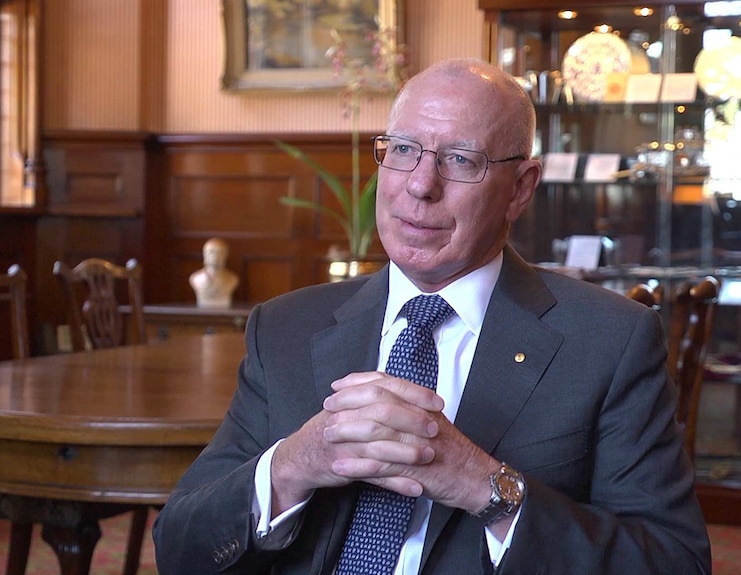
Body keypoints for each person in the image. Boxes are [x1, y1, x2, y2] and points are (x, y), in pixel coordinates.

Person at [153, 58, 711, 574]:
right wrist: (293, 465)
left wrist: (486, 488)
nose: (420, 185)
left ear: (521, 189)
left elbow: (673, 562)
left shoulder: (609, 341)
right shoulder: (286, 328)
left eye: (461, 161)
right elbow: (180, 547)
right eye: (402, 150)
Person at [189, 237, 239, 308]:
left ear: (226, 255)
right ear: (204, 254)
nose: (215, 256)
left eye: (220, 252)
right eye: (211, 252)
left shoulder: (233, 279)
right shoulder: (195, 278)